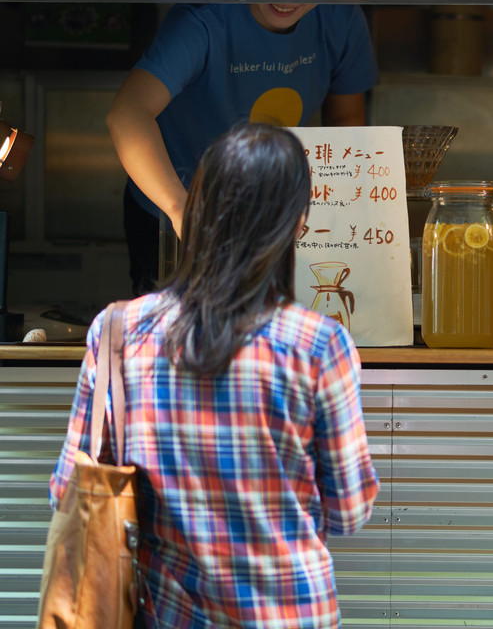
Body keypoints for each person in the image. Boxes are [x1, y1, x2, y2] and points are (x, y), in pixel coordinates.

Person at [49, 123, 380, 628]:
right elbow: (351, 511)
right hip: (291, 614)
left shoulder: (117, 331)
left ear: (197, 213)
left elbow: (68, 489)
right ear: (296, 225)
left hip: (166, 614)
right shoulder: (319, 345)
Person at [107, 3, 378, 295]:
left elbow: (345, 118)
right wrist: (181, 211)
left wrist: (333, 206)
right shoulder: (203, 20)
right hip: (174, 205)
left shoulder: (340, 17)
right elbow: (127, 114)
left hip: (271, 212)